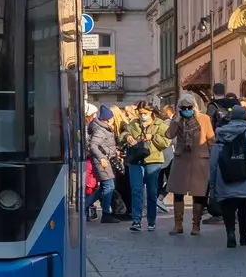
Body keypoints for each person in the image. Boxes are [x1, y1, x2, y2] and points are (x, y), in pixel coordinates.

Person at [206, 101, 246, 249]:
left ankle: (230, 234)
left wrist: (212, 184)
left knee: (228, 206)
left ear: (230, 117)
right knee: (244, 206)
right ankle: (243, 237)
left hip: (225, 176)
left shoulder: (221, 133)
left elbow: (214, 161)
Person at [165, 92, 213, 235]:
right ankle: (178, 225)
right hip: (181, 159)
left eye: (189, 107)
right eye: (183, 108)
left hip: (199, 160)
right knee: (178, 192)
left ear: (194, 106)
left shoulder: (204, 119)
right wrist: (176, 119)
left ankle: (196, 226)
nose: (186, 110)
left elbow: (211, 139)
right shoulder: (178, 119)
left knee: (198, 193)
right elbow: (169, 135)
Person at [121, 102, 169, 232]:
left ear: (151, 112)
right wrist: (127, 136)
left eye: (145, 113)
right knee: (136, 190)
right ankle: (136, 220)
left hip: (153, 160)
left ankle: (151, 221)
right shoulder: (134, 124)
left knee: (152, 192)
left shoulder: (160, 124)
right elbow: (122, 135)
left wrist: (153, 137)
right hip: (135, 160)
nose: (142, 116)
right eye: (140, 113)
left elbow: (166, 142)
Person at [85, 105, 120, 222]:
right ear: (109, 119)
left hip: (104, 160)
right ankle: (106, 213)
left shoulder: (100, 127)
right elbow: (94, 145)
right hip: (102, 162)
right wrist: (102, 158)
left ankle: (84, 205)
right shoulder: (101, 129)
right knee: (109, 186)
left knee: (104, 187)